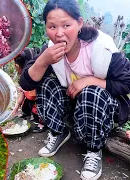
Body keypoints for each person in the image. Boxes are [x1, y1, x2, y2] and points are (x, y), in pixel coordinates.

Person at [20, 0, 130, 179]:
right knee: (47, 82)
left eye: (66, 25)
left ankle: (94, 150)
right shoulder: (50, 50)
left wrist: (90, 80)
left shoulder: (101, 49)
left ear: (79, 23)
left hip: (102, 110)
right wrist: (43, 61)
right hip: (75, 108)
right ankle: (59, 131)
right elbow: (26, 84)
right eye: (52, 26)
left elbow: (127, 82)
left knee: (91, 92)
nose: (59, 33)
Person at [13, 48, 47, 133]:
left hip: (40, 101)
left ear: (17, 66)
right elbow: (22, 93)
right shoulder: (23, 77)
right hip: (32, 99)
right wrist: (17, 105)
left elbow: (33, 96)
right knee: (26, 101)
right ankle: (26, 113)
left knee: (35, 105)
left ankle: (42, 123)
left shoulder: (35, 75)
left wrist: (26, 92)